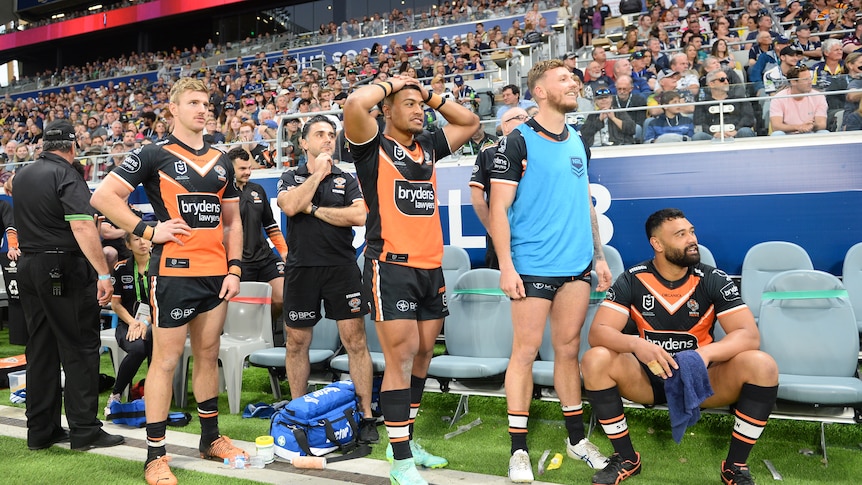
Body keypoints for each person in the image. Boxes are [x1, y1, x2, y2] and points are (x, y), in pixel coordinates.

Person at [90, 77, 247, 485]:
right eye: (192, 102)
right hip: (173, 274)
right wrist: (146, 230)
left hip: (216, 275)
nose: (202, 109)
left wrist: (234, 268)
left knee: (208, 354)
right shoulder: (152, 153)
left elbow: (232, 223)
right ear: (172, 109)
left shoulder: (222, 159)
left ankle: (210, 438)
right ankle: (155, 455)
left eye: (206, 103)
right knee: (164, 360)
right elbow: (103, 197)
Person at [343, 75, 479, 485]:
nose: (419, 110)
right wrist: (391, 84)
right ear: (386, 110)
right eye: (409, 104)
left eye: (421, 106)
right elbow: (353, 104)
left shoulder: (429, 147)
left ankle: (405, 439)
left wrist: (429, 94)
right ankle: (400, 460)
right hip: (391, 266)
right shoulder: (371, 146)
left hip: (430, 266)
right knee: (400, 360)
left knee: (422, 357)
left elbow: (470, 123)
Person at [582, 208, 779, 485]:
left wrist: (705, 354)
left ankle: (734, 467)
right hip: (647, 380)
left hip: (701, 381)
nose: (691, 239)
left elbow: (748, 335)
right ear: (657, 244)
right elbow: (598, 332)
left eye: (692, 232)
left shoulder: (714, 278)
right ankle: (626, 458)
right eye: (681, 234)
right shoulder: (632, 279)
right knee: (595, 358)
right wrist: (636, 344)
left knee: (762, 364)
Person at [487, 59, 612, 483]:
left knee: (568, 350)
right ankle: (518, 449)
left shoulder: (579, 139)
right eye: (563, 79)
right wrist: (506, 266)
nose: (573, 83)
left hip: (576, 265)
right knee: (523, 352)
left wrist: (598, 256)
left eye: (573, 78)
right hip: (532, 265)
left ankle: (576, 440)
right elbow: (499, 210)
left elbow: (585, 203)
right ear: (539, 92)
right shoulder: (517, 142)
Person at [13, 120, 124, 451]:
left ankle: (41, 430)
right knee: (79, 347)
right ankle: (85, 429)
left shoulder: (21, 176)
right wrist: (103, 274)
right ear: (72, 147)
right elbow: (83, 227)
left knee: (41, 350)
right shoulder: (67, 174)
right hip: (62, 267)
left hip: (30, 266)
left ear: (44, 144)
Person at [275, 114, 378, 443]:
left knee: (356, 343)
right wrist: (317, 174)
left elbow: (359, 215)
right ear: (303, 142)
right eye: (319, 134)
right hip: (301, 269)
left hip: (341, 268)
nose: (327, 139)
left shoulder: (346, 178)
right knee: (296, 344)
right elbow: (290, 206)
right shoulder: (290, 175)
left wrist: (316, 210)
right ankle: (296, 412)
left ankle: (366, 415)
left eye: (331, 134)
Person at [227, 147, 288, 344]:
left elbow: (270, 225)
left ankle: (263, 331)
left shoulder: (257, 190)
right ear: (230, 168)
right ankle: (247, 339)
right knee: (244, 308)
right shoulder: (222, 194)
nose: (248, 172)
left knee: (282, 296)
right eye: (242, 168)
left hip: (265, 257)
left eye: (249, 167)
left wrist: (285, 252)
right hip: (239, 261)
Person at [470, 108, 528, 271]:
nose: (527, 120)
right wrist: (492, 229)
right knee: (500, 283)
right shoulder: (488, 152)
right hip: (502, 231)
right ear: (505, 126)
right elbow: (476, 197)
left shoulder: (539, 151)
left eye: (528, 117)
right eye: (520, 117)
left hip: (533, 232)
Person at [105, 232, 154, 408]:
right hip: (127, 323)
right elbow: (116, 304)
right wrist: (133, 322)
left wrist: (145, 322)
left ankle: (153, 394)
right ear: (128, 245)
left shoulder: (161, 266)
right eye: (136, 239)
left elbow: (163, 302)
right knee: (138, 348)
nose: (142, 242)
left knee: (153, 339)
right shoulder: (121, 268)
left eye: (145, 238)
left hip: (154, 321)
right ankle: (116, 394)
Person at [694, 70, 757, 140]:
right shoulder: (703, 104)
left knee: (745, 132)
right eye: (722, 80)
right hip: (712, 136)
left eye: (727, 79)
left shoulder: (739, 99)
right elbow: (699, 123)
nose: (726, 82)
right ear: (711, 84)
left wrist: (735, 130)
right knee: (698, 136)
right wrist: (713, 133)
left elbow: (749, 118)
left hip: (736, 134)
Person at [770, 65, 830, 135]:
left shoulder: (819, 96)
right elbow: (776, 126)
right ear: (793, 82)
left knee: (824, 133)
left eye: (810, 78)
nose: (810, 82)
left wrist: (811, 126)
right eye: (805, 79)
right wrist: (799, 127)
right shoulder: (778, 98)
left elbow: (822, 124)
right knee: (777, 134)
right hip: (788, 134)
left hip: (810, 132)